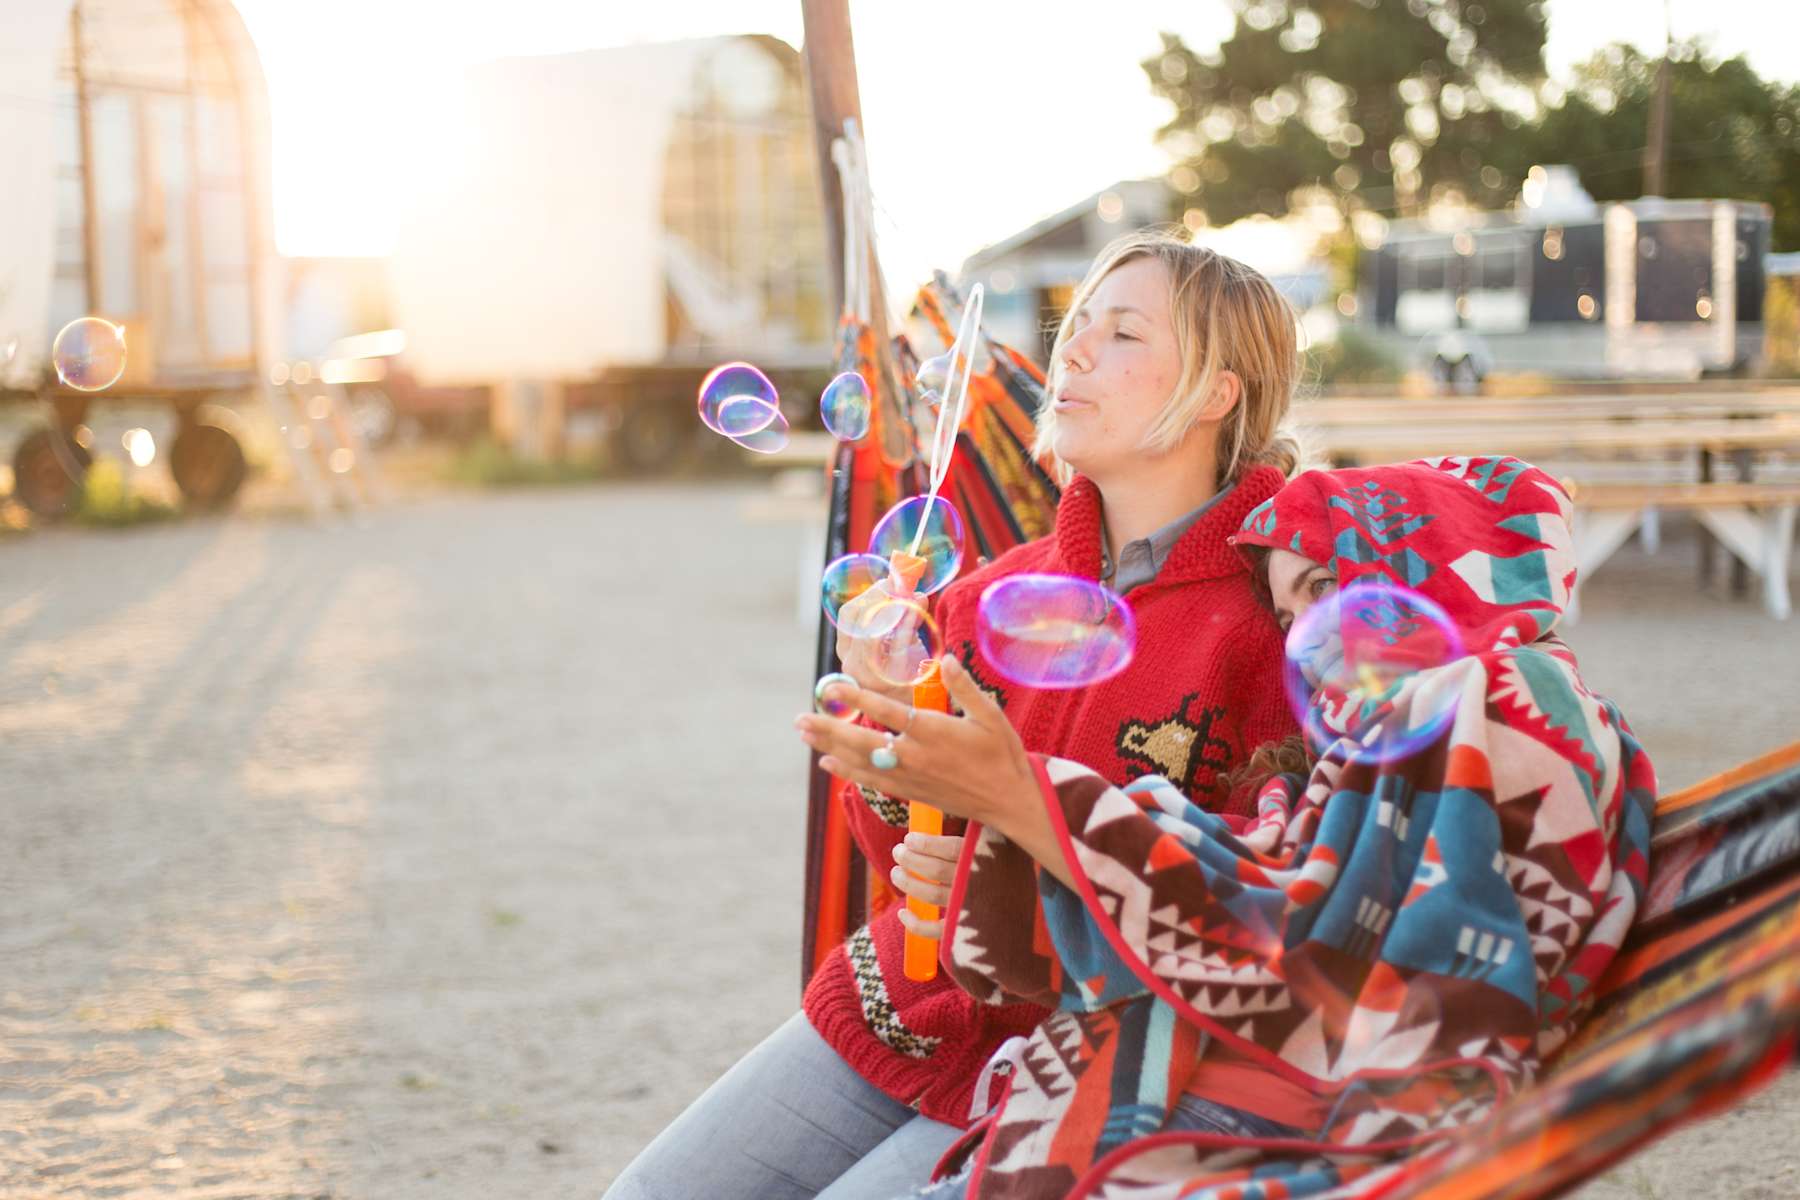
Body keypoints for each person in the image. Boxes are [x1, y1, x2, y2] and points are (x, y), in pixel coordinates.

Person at [603, 229, 1305, 1199]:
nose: (1076, 352)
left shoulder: (1277, 621)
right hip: (905, 1004)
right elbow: (903, 862)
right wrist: (890, 751)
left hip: (1085, 1063)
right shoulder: (991, 594)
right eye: (1078, 327)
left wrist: (1004, 859)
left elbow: (1259, 901)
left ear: (1220, 392)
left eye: (1125, 333)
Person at [800, 456, 1658, 1199]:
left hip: (1293, 1110)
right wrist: (999, 835)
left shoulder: (1501, 702)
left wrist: (1029, 815)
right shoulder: (1419, 718)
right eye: (1289, 618)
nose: (1305, 641)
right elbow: (1294, 877)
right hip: (1143, 1058)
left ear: (1423, 559)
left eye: (1324, 588)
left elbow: (1328, 949)